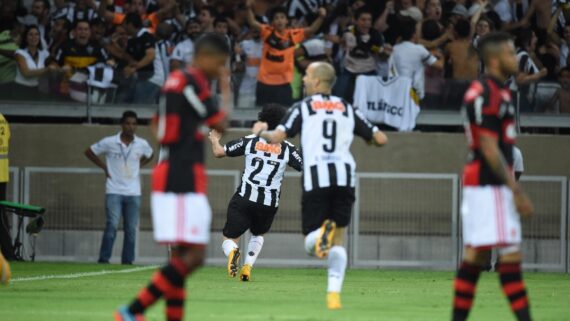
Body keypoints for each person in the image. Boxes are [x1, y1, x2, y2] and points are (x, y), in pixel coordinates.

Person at [114, 33, 232, 321]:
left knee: (182, 257)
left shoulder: (175, 82)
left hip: (176, 171)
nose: (220, 69)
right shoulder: (192, 82)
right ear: (205, 57)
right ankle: (131, 311)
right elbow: (221, 123)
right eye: (219, 64)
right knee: (195, 257)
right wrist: (226, 87)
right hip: (180, 175)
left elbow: (158, 124)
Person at [253, 62, 388, 309]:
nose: (303, 79)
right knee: (338, 241)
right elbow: (381, 138)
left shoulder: (303, 107)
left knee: (311, 243)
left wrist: (260, 130)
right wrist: (369, 141)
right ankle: (333, 295)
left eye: (306, 75)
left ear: (316, 81)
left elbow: (276, 138)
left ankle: (318, 236)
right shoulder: (347, 107)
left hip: (317, 177)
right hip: (345, 178)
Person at [451, 32, 534, 321]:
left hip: (486, 185)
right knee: (507, 259)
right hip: (489, 185)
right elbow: (487, 146)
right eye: (512, 54)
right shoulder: (486, 92)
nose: (517, 59)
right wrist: (516, 190)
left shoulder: (498, 90)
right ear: (496, 59)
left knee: (477, 259)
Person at [208, 104, 302, 281]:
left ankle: (234, 252)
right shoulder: (288, 148)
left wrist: (214, 139)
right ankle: (247, 268)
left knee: (229, 237)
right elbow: (303, 165)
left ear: (263, 122)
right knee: (258, 234)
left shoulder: (251, 141)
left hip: (245, 197)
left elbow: (219, 152)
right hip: (269, 202)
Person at [84, 111, 154, 265]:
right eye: (128, 123)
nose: (131, 126)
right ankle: (104, 259)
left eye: (134, 124)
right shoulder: (110, 141)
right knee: (112, 225)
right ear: (122, 124)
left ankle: (127, 262)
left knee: (130, 229)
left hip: (134, 192)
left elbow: (151, 154)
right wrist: (103, 167)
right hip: (113, 190)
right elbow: (89, 151)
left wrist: (139, 165)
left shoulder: (141, 143)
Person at [246, 0, 326, 106]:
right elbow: (252, 22)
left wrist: (321, 17)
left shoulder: (294, 35)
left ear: (287, 21)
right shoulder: (267, 32)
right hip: (264, 84)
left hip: (283, 85)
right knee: (262, 118)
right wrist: (248, 8)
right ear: (272, 22)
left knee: (284, 118)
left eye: (282, 17)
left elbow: (311, 30)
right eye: (276, 18)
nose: (279, 20)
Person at [333, 8, 389, 102]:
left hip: (369, 72)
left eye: (369, 20)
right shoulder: (348, 33)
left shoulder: (378, 36)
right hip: (349, 71)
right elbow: (345, 42)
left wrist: (385, 53)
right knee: (339, 98)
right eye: (363, 20)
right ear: (356, 21)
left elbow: (382, 57)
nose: (366, 23)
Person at [389, 18, 443, 103]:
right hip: (415, 96)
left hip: (397, 93)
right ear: (414, 34)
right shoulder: (420, 50)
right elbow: (440, 66)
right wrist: (440, 55)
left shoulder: (395, 49)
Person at [14, 25, 60, 98]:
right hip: (20, 89)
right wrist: (47, 69)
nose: (34, 37)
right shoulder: (20, 53)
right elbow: (26, 73)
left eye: (36, 34)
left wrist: (57, 68)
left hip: (36, 89)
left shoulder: (44, 53)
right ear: (25, 38)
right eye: (30, 34)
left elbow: (55, 67)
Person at [122, 13, 159, 103]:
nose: (123, 27)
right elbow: (126, 56)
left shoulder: (146, 36)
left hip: (152, 77)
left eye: (124, 24)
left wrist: (134, 68)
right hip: (141, 78)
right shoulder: (132, 40)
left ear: (130, 24)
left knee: (138, 106)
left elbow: (150, 56)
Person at [0, 113, 14, 261]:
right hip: (2, 173)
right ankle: (7, 251)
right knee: (1, 216)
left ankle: (8, 251)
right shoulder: (2, 118)